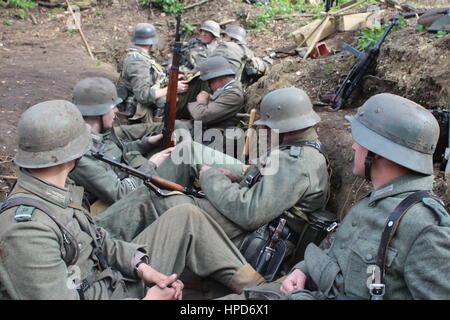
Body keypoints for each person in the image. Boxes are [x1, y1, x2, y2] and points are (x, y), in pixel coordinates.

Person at [0, 100, 265, 300]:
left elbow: (99, 240)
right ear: (73, 155)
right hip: (115, 293)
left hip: (114, 280)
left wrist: (139, 265)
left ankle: (258, 290)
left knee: (185, 215)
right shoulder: (26, 230)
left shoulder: (56, 190)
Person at [95, 87, 330, 273]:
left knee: (157, 200)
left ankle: (96, 243)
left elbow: (250, 213)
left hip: (252, 235)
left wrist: (212, 178)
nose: (265, 133)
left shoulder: (296, 162)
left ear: (285, 126)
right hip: (254, 223)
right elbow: (266, 189)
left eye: (269, 128)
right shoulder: (296, 151)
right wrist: (238, 176)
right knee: (162, 194)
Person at [242, 93, 450, 300]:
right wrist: (303, 270)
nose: (353, 146)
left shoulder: (427, 227)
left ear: (376, 150)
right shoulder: (375, 200)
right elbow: (339, 252)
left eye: (359, 139)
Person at [69, 77, 182, 214]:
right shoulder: (82, 152)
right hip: (110, 206)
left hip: (125, 179)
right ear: (99, 111)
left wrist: (147, 143)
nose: (116, 110)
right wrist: (151, 164)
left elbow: (117, 152)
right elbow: (121, 194)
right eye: (112, 107)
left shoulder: (98, 133)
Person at [117, 23, 188, 123]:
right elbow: (143, 96)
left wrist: (171, 80)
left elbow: (153, 79)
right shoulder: (137, 62)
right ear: (151, 42)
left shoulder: (142, 57)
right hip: (146, 111)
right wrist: (172, 88)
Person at [176, 20, 221, 119]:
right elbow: (181, 58)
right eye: (202, 31)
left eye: (207, 32)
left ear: (214, 35)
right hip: (186, 79)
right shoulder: (193, 43)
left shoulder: (219, 49)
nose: (203, 34)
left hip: (204, 82)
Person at [187, 56, 244, 133]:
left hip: (215, 138)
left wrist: (201, 101)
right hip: (209, 131)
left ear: (216, 79)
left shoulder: (233, 95)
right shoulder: (227, 90)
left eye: (208, 82)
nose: (208, 85)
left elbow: (200, 117)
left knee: (177, 126)